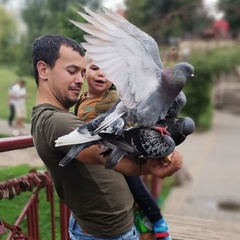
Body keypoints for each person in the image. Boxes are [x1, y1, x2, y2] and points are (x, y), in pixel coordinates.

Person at [31, 34, 182, 239]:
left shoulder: (62, 114)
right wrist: (150, 166)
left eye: (82, 72)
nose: (80, 80)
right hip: (106, 234)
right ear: (43, 69)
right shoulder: (56, 122)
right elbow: (105, 154)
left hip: (107, 228)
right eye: (72, 71)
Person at [75, 57, 172, 240]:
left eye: (108, 71)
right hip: (96, 155)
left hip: (117, 151)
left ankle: (158, 219)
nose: (101, 74)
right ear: (84, 71)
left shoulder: (113, 98)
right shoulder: (82, 100)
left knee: (135, 185)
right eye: (95, 68)